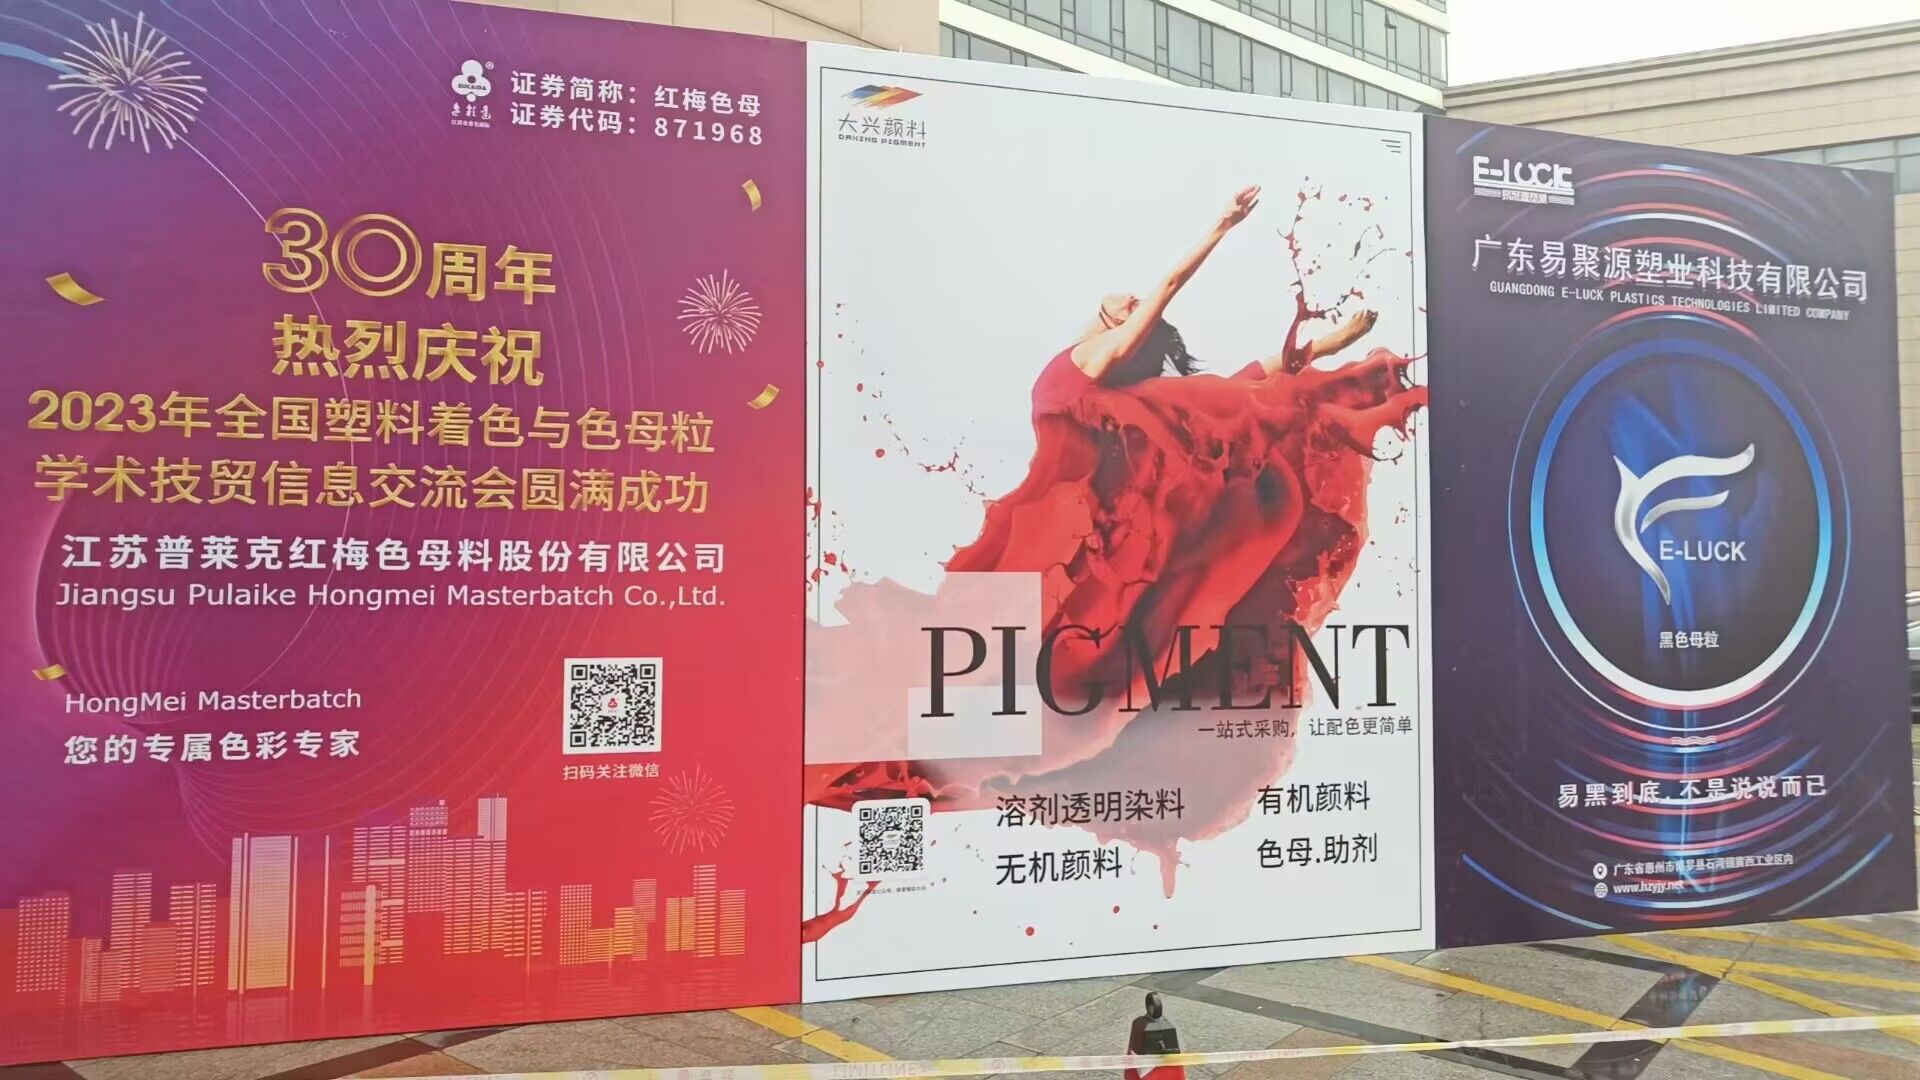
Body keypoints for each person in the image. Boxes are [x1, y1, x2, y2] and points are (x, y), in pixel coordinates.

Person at [1033, 185, 1380, 419]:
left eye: (1136, 308)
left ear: (1121, 326)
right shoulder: (1106, 387)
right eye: (1135, 304)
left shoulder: (1099, 358)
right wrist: (1326, 346)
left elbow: (1170, 284)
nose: (1134, 297)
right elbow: (1235, 385)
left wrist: (1223, 225)